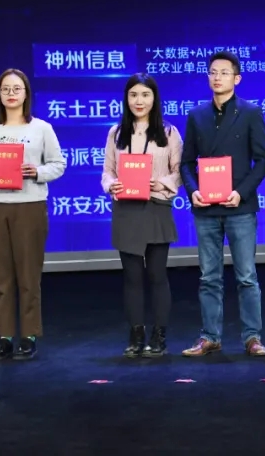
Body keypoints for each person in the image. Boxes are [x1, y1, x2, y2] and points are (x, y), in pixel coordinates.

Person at [179, 50, 265, 358]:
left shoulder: (250, 112)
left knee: (246, 276)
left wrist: (241, 193)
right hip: (205, 208)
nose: (217, 77)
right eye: (213, 72)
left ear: (237, 78)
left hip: (239, 207)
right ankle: (210, 336)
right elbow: (186, 162)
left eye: (224, 72)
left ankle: (252, 337)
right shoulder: (197, 115)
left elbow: (263, 160)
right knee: (209, 277)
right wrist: (192, 190)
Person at [0, 68, 66, 360]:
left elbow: (58, 164)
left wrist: (36, 172)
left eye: (16, 89)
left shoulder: (41, 128)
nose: (11, 94)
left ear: (26, 94)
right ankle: (5, 336)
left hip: (29, 206)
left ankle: (28, 335)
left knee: (28, 276)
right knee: (1, 278)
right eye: (5, 89)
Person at [101, 73, 183, 359]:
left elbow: (179, 171)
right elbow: (107, 171)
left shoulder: (169, 132)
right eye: (133, 95)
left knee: (157, 275)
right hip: (126, 210)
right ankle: (136, 334)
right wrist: (112, 185)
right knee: (132, 277)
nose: (139, 101)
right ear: (126, 98)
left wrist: (161, 183)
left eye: (145, 95)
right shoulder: (116, 133)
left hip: (157, 207)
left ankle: (159, 335)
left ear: (154, 99)